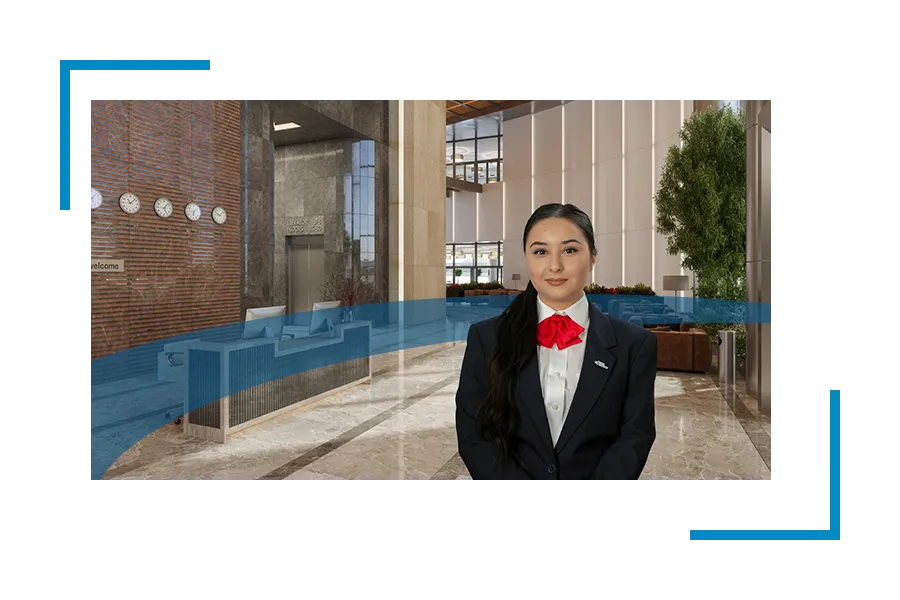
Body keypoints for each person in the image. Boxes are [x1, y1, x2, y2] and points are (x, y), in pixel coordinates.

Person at [455, 203, 657, 480]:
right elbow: (474, 435)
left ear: (593, 257)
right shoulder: (487, 338)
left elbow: (634, 436)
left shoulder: (635, 345)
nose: (555, 266)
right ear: (527, 258)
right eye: (540, 251)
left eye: (570, 250)